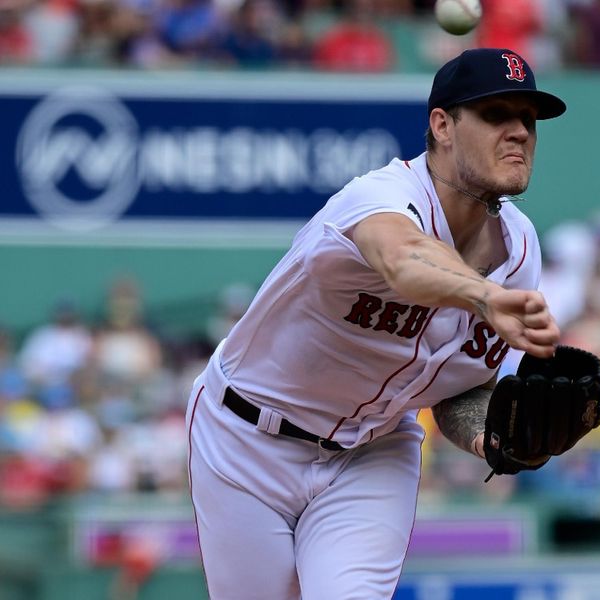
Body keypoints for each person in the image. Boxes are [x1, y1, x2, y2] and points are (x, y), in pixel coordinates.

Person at [186, 47, 566, 599]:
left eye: (528, 120)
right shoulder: (381, 197)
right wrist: (482, 295)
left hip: (374, 451)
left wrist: (490, 437)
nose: (519, 133)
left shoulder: (520, 250)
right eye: (495, 115)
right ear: (442, 125)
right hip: (246, 439)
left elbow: (462, 394)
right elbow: (403, 257)